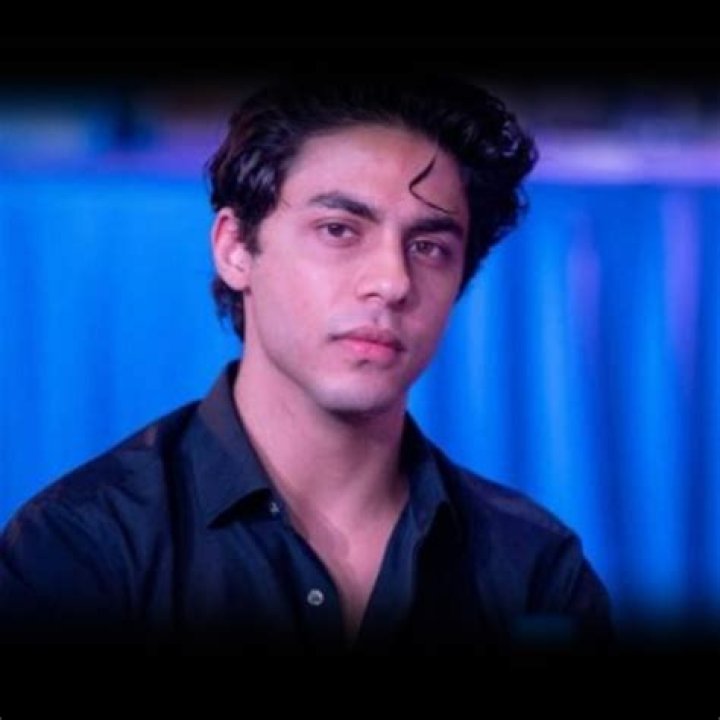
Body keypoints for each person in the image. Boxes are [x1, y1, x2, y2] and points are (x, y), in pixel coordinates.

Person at [0, 70, 612, 658]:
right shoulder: (84, 549)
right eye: (339, 230)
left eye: (428, 247)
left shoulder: (537, 571)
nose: (392, 281)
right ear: (235, 249)